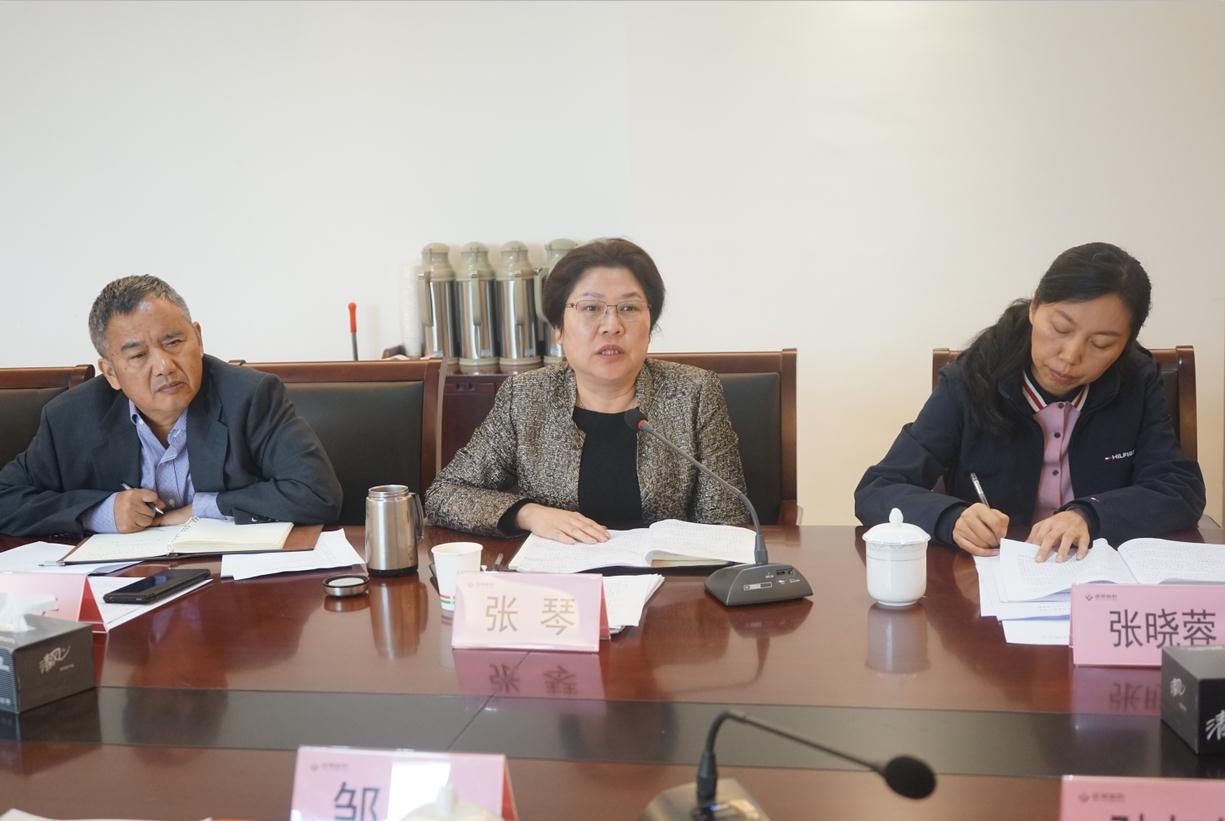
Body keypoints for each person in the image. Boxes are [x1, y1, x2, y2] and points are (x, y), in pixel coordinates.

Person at [855, 242, 1205, 562]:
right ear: (1035, 307)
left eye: (1100, 344)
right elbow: (878, 490)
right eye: (1061, 328)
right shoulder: (971, 379)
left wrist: (1090, 514)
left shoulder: (1137, 380)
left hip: (1099, 575)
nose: (1070, 356)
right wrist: (951, 517)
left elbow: (1179, 488)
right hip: (990, 577)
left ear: (1125, 345)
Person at [425, 238, 748, 542]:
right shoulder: (526, 397)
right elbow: (445, 495)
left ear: (650, 325)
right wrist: (529, 514)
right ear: (558, 329)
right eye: (591, 308)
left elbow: (726, 519)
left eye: (629, 308)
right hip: (560, 577)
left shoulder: (694, 392)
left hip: (665, 575)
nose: (612, 326)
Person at [0, 275, 342, 537]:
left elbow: (317, 493)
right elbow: (6, 498)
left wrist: (202, 508)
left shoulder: (250, 396)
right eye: (138, 355)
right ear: (111, 372)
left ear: (198, 338)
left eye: (174, 342)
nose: (164, 366)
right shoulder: (71, 417)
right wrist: (101, 513)